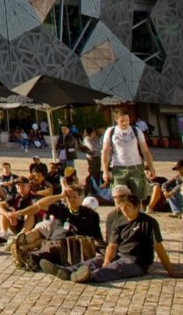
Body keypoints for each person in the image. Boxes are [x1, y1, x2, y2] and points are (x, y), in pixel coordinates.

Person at [40, 194, 183, 282]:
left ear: (137, 207)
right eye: (122, 206)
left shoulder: (148, 223)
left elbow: (158, 247)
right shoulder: (119, 222)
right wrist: (107, 260)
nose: (124, 209)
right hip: (118, 255)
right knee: (97, 260)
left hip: (136, 261)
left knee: (115, 268)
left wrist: (170, 270)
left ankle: (89, 276)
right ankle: (68, 271)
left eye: (128, 206)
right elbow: (112, 245)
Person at [10, 185, 102, 272]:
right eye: (69, 197)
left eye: (74, 197)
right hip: (59, 239)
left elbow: (97, 236)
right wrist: (60, 195)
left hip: (77, 245)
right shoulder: (62, 209)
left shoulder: (91, 215)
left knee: (52, 247)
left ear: (81, 198)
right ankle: (24, 251)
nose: (71, 200)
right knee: (49, 245)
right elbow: (40, 204)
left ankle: (29, 257)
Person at [102, 107, 156, 202]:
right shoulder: (111, 132)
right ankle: (121, 216)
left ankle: (139, 214)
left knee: (138, 197)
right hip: (118, 168)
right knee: (119, 197)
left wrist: (151, 167)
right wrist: (105, 171)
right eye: (122, 121)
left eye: (127, 120)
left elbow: (145, 151)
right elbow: (105, 152)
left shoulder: (136, 131)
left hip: (136, 167)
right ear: (116, 120)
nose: (125, 123)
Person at [0, 176, 36, 244]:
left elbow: (35, 209)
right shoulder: (15, 197)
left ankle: (22, 235)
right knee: (3, 211)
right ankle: (4, 234)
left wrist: (17, 214)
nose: (20, 187)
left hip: (31, 227)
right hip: (16, 224)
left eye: (23, 185)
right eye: (18, 185)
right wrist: (8, 215)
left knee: (30, 213)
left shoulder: (33, 197)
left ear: (28, 186)